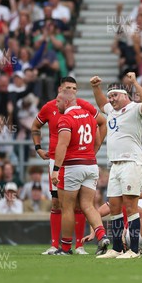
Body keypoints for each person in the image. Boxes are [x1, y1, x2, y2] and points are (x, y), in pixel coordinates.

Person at [32, 76, 107, 255]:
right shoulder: (52, 107)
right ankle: (58, 244)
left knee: (71, 206)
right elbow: (35, 126)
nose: (73, 91)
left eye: (75, 88)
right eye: (69, 88)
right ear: (60, 90)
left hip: (68, 164)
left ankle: (72, 246)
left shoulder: (75, 111)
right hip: (79, 163)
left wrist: (91, 151)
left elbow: (63, 144)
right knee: (60, 203)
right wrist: (38, 148)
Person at [91, 72, 142, 259]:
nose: (111, 99)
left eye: (115, 95)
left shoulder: (136, 108)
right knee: (114, 208)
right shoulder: (111, 110)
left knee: (130, 206)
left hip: (132, 162)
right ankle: (117, 248)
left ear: (125, 95)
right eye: (110, 96)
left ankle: (133, 250)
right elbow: (102, 103)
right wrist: (96, 88)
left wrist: (135, 82)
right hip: (115, 165)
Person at [51, 90, 110, 256]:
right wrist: (90, 155)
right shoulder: (89, 116)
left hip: (72, 167)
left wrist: (55, 170)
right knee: (87, 205)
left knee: (67, 207)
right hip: (91, 165)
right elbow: (98, 139)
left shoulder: (65, 119)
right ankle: (102, 235)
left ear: (67, 102)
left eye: (58, 101)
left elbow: (62, 146)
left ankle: (66, 248)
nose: (56, 105)